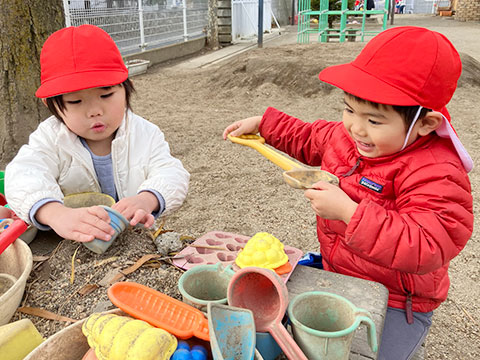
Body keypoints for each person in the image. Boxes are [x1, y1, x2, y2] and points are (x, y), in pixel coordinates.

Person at [222, 26, 473, 359]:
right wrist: (264, 124)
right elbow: (311, 136)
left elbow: (429, 244)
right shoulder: (349, 137)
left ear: (425, 124)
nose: (356, 127)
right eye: (350, 109)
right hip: (340, 271)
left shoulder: (436, 171)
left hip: (398, 300)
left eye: (374, 120)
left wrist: (350, 213)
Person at [5, 25, 189, 244]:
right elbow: (23, 174)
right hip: (73, 243)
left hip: (133, 238)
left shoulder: (144, 133)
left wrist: (148, 199)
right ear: (51, 105)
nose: (95, 111)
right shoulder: (51, 137)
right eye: (75, 101)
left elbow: (172, 172)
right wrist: (55, 213)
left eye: (107, 94)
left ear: (126, 87)